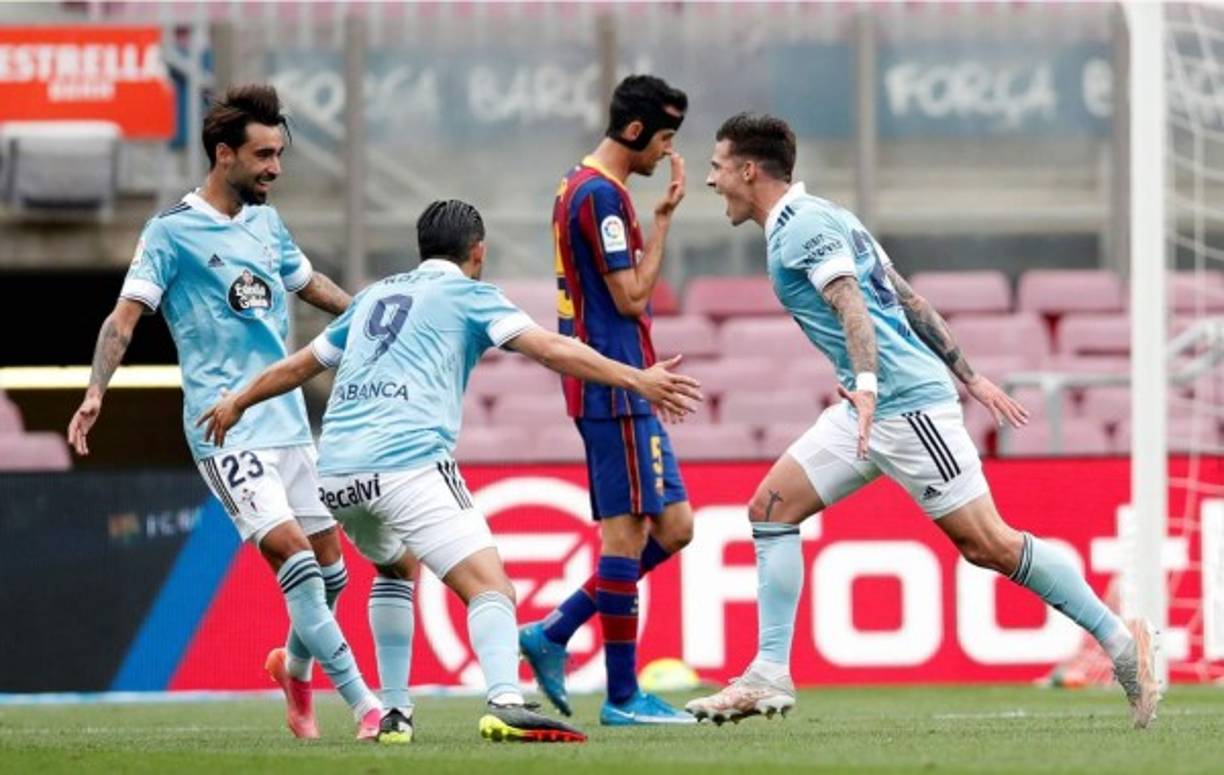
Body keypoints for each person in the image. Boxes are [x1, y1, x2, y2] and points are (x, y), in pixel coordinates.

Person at [688, 112, 1160, 729]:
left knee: (987, 544)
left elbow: (853, 302)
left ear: (748, 170)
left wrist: (866, 383)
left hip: (904, 407)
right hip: (870, 407)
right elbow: (907, 299)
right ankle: (768, 673)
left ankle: (1122, 643)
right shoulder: (827, 218)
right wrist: (969, 375)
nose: (710, 180)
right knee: (771, 508)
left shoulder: (803, 227)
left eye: (718, 166)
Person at [197, 199, 704, 743]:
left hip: (338, 474)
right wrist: (638, 380)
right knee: (493, 589)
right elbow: (552, 347)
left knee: (395, 568)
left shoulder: (373, 295)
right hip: (408, 462)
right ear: (478, 251)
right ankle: (506, 701)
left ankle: (394, 714)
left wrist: (239, 402)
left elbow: (302, 363)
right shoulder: (470, 294)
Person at [67, 84, 385, 740]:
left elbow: (309, 286)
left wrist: (372, 316)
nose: (275, 167)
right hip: (225, 428)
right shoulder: (171, 234)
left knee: (333, 574)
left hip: (289, 421)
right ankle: (366, 704)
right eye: (263, 155)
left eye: (279, 155)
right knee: (294, 560)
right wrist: (97, 389)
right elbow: (124, 318)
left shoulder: (267, 223)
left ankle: (291, 668)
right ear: (223, 154)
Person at [517, 74, 698, 726]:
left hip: (624, 383)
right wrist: (661, 228)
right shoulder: (600, 195)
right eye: (664, 139)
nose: (665, 154)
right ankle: (623, 696)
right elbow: (630, 298)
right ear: (633, 131)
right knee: (623, 539)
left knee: (676, 527)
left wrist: (658, 219)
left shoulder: (580, 185)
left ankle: (554, 631)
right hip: (615, 384)